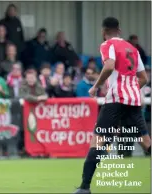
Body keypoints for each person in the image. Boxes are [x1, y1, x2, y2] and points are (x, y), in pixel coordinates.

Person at [74, 17, 151, 194]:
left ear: (103, 32)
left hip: (115, 101)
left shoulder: (107, 45)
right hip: (133, 101)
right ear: (120, 30)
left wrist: (96, 86)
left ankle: (85, 188)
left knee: (98, 141)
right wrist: (131, 89)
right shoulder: (133, 49)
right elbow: (144, 78)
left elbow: (109, 66)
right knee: (146, 142)